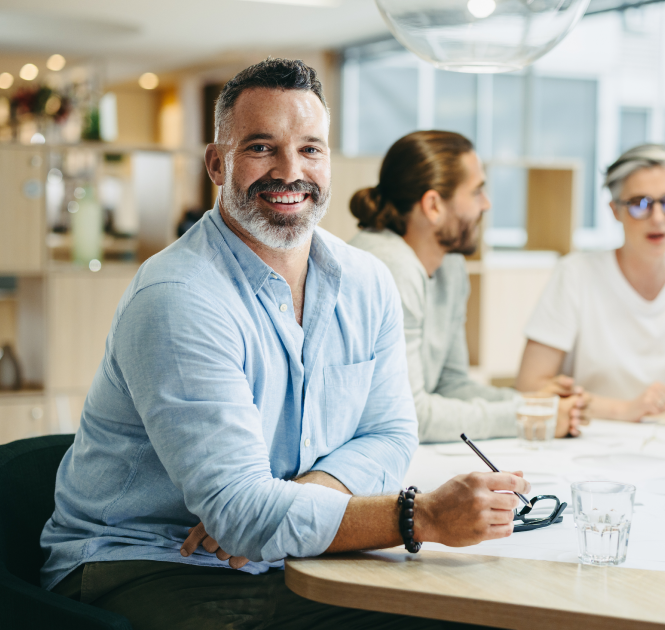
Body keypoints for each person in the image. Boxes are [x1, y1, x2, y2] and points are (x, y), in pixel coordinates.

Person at [40, 59, 530, 630]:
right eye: (260, 147)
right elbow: (244, 519)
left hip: (284, 553)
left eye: (311, 150)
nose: (290, 171)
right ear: (217, 164)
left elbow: (391, 434)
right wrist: (419, 516)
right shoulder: (178, 297)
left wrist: (298, 497)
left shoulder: (367, 281)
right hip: (148, 562)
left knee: (465, 615)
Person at [349, 130, 588, 443]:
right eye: (477, 192)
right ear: (433, 205)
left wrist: (533, 405)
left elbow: (451, 384)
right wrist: (524, 416)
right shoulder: (390, 266)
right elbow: (411, 414)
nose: (486, 204)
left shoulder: (449, 264)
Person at [517, 143, 665, 422]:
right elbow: (529, 387)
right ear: (615, 210)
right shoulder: (576, 275)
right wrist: (624, 410)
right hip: (590, 442)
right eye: (639, 204)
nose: (657, 218)